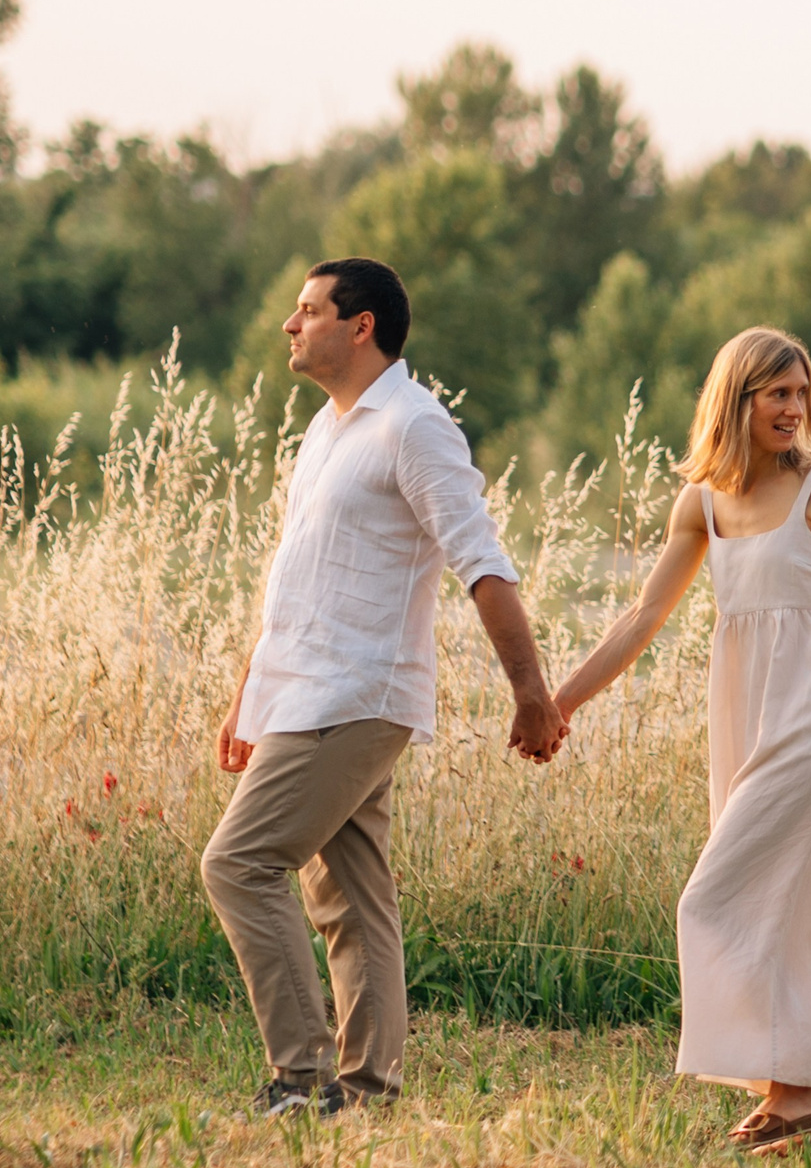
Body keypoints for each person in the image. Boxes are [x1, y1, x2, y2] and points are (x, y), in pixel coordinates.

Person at [206, 257, 563, 1119]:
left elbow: (481, 560)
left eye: (308, 309)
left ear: (360, 325)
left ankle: (300, 1079)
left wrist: (531, 691)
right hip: (306, 689)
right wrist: (251, 691)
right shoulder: (326, 429)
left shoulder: (415, 426)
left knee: (240, 862)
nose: (291, 324)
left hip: (358, 692)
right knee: (352, 898)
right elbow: (298, 575)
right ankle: (367, 1093)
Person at [554, 328, 811, 1156]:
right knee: (787, 913)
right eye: (777, 393)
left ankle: (795, 1093)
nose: (794, 408)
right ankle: (810, 1105)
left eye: (802, 393)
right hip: (744, 723)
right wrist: (558, 701)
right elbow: (643, 616)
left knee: (713, 901)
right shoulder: (701, 502)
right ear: (737, 398)